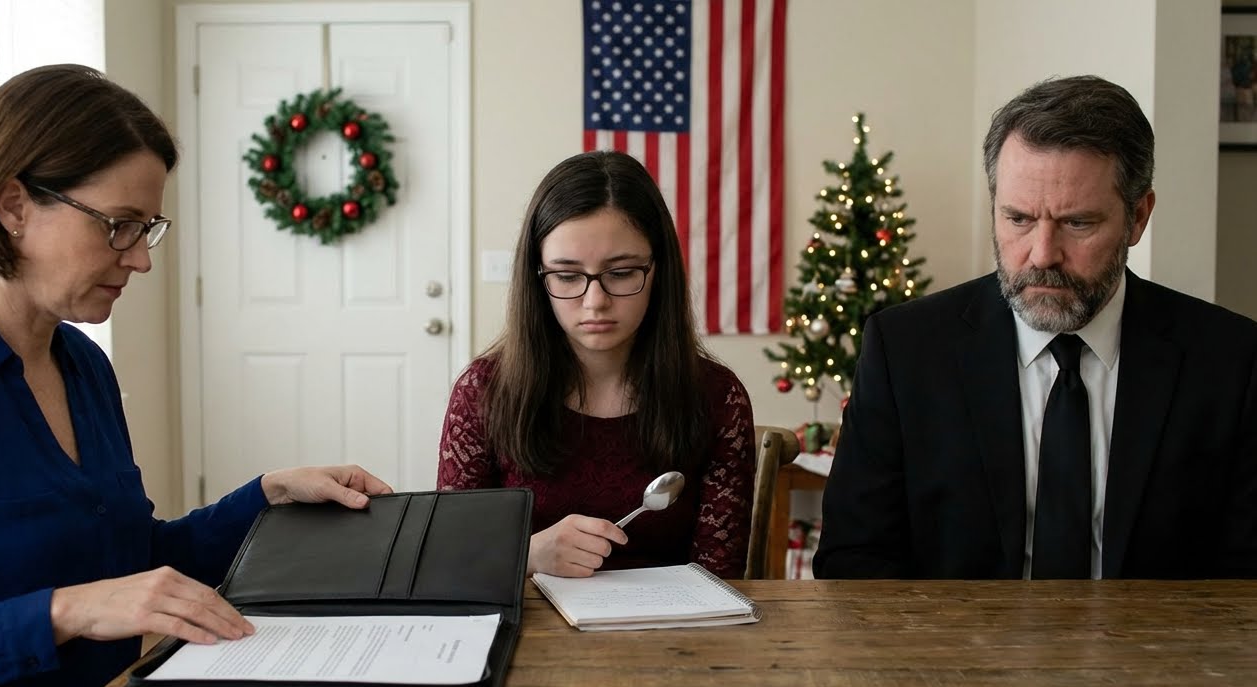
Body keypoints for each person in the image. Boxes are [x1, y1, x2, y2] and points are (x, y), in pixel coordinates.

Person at [0, 65, 393, 687]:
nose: (140, 261)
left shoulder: (81, 365)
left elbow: (126, 566)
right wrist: (66, 612)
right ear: (13, 206)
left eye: (146, 229)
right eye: (118, 226)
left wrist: (266, 498)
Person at [814, 75, 1257, 580]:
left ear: (1138, 217)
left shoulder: (1231, 362)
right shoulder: (904, 352)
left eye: (1077, 223)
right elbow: (852, 563)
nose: (1043, 255)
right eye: (1019, 219)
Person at [437, 151, 755, 579]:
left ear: (658, 271)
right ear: (537, 278)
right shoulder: (483, 391)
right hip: (528, 619)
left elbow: (720, 576)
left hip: (670, 620)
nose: (595, 301)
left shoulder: (717, 396)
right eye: (568, 276)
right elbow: (450, 560)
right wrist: (526, 555)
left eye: (621, 273)